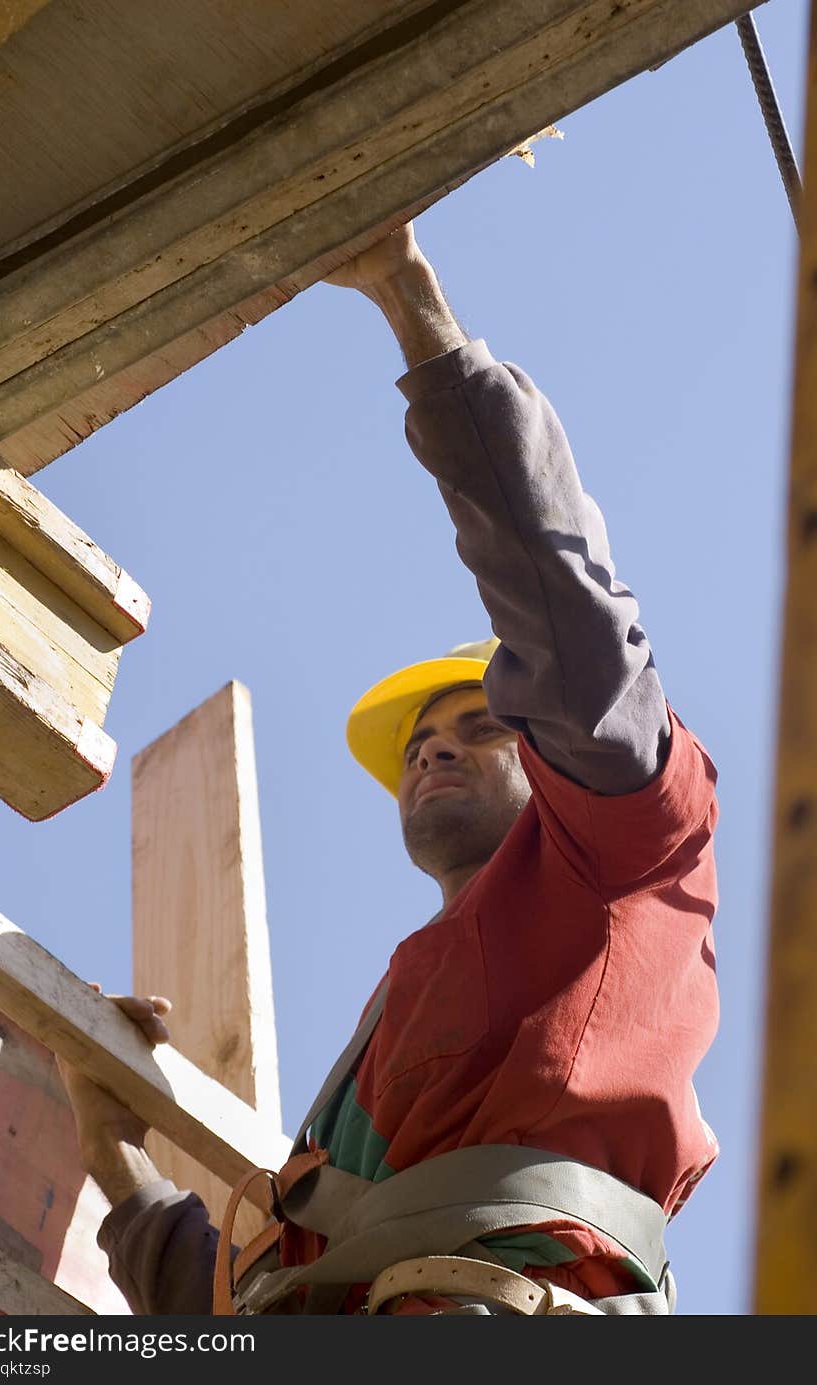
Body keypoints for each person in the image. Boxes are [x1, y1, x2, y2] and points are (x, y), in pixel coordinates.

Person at [58, 223, 720, 1316]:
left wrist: (407, 301)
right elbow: (244, 1295)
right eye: (418, 741)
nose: (433, 744)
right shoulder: (386, 1055)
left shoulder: (629, 849)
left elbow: (566, 615)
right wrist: (110, 1148)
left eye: (479, 722)